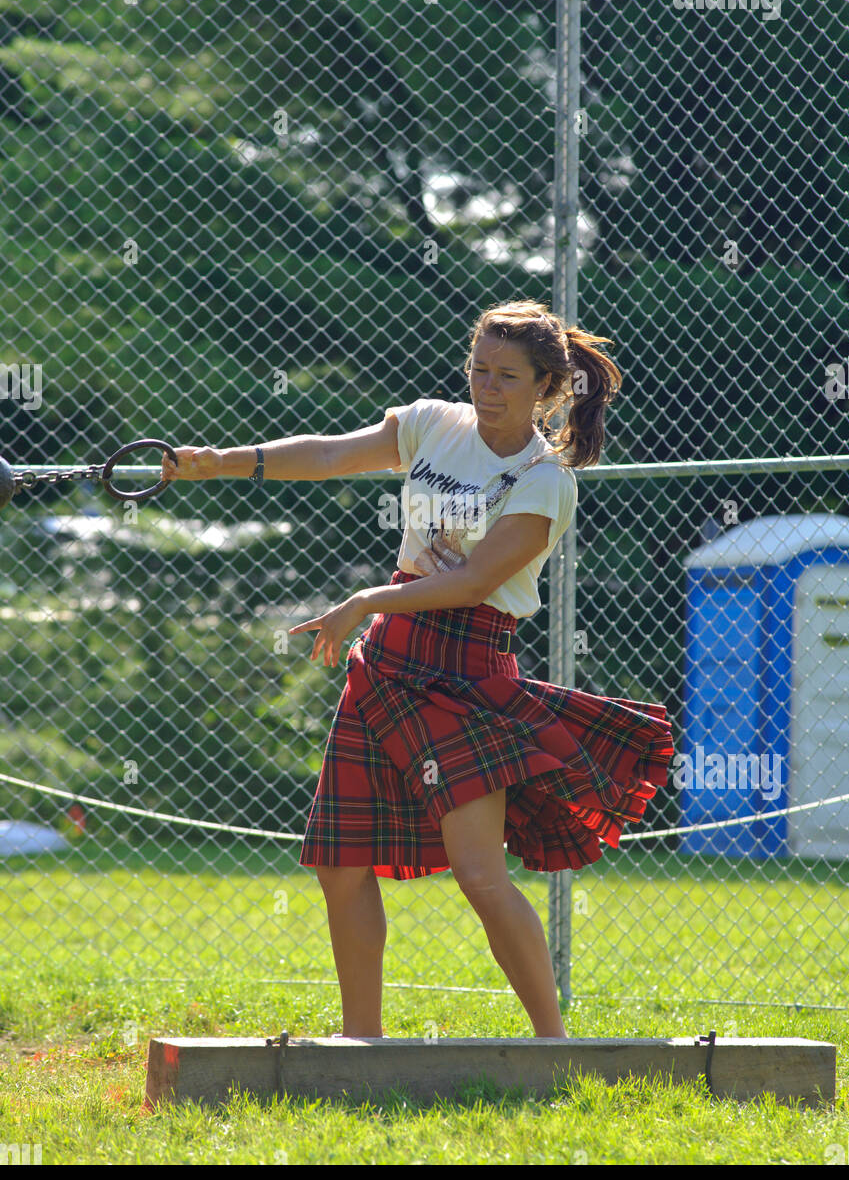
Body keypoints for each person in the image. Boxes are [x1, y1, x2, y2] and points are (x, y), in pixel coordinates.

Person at [161, 299, 675, 1041]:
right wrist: (222, 464)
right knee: (338, 863)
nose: (486, 388)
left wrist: (366, 599)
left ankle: (553, 1046)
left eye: (505, 376)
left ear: (547, 387)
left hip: (467, 672)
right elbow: (334, 454)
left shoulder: (544, 479)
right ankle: (360, 1042)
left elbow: (472, 583)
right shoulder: (434, 423)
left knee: (480, 877)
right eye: (478, 369)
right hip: (388, 663)